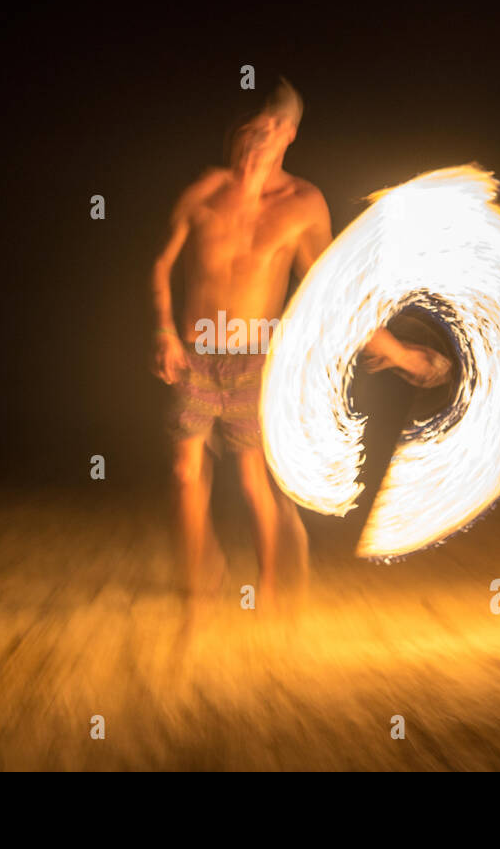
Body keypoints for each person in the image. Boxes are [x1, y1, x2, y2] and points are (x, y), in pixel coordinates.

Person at [150, 78, 449, 613]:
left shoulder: (302, 204)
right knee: (183, 471)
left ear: (289, 134)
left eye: (268, 130)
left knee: (251, 478)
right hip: (196, 352)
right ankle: (198, 585)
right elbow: (161, 262)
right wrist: (164, 330)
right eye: (247, 130)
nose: (255, 141)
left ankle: (269, 592)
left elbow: (329, 292)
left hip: (255, 356)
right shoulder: (204, 190)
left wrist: (398, 352)